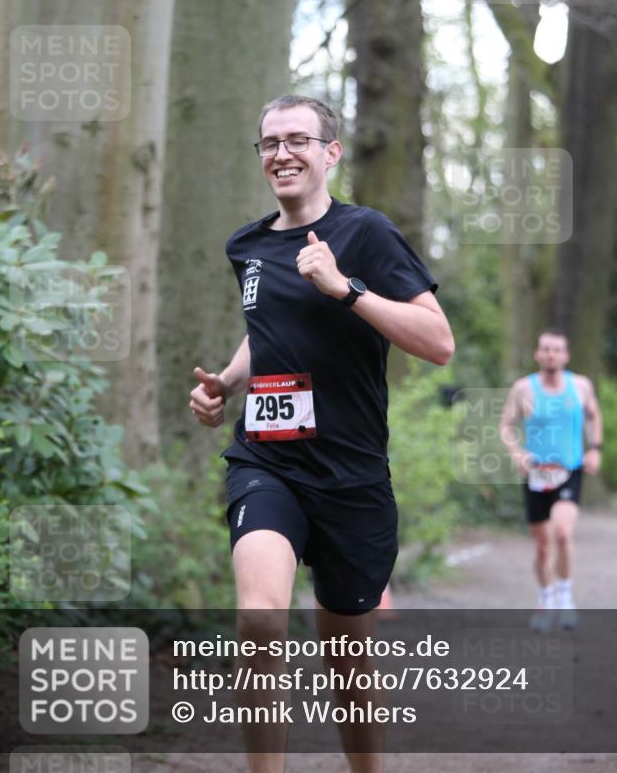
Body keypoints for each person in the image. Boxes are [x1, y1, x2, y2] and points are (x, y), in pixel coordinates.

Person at [189, 94, 454, 773]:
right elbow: (268, 333)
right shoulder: (245, 246)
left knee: (347, 656)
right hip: (266, 463)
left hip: (352, 475)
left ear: (330, 153)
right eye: (269, 142)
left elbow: (438, 342)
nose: (282, 153)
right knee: (259, 618)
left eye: (298, 140)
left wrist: (345, 289)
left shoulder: (366, 234)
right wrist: (224, 381)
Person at [500, 329, 603, 628]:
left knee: (562, 533)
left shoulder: (581, 386)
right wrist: (517, 454)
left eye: (556, 350)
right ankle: (546, 599)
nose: (550, 354)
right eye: (545, 349)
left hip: (569, 471)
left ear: (566, 355)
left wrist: (595, 448)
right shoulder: (523, 389)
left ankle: (566, 598)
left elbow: (594, 415)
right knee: (543, 545)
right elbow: (506, 425)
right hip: (535, 473)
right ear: (537, 354)